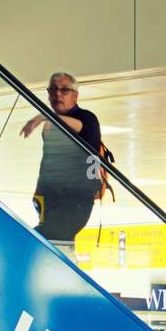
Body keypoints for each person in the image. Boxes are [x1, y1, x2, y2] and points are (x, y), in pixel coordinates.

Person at [21, 72, 102, 243]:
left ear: (75, 95)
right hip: (49, 199)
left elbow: (79, 127)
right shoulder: (51, 124)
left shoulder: (87, 118)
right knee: (53, 242)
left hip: (75, 202)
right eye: (53, 90)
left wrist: (42, 116)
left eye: (64, 90)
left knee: (38, 241)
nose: (58, 94)